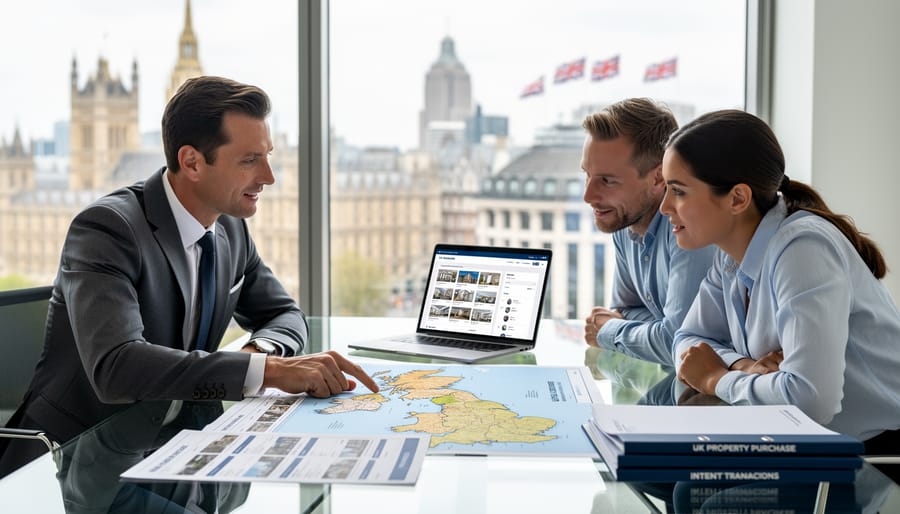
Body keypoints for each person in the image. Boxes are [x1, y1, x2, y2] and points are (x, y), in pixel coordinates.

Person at [0, 76, 378, 477]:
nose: (268, 176)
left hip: (181, 450)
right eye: (250, 160)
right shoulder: (107, 229)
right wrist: (269, 373)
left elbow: (285, 315)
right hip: (79, 465)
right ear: (192, 162)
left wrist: (257, 356)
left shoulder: (230, 228)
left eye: (268, 156)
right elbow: (117, 366)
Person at [663, 109, 900, 453]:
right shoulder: (730, 253)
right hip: (805, 439)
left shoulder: (803, 249)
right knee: (669, 478)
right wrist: (745, 368)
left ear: (738, 199)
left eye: (679, 191)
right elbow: (687, 339)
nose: (664, 207)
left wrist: (716, 378)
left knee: (689, 490)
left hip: (877, 452)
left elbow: (811, 401)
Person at [581, 98, 716, 366]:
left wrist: (609, 331)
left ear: (658, 178)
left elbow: (678, 344)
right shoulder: (623, 219)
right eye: (587, 175)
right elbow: (624, 311)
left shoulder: (688, 227)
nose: (588, 196)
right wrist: (652, 327)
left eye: (607, 181)